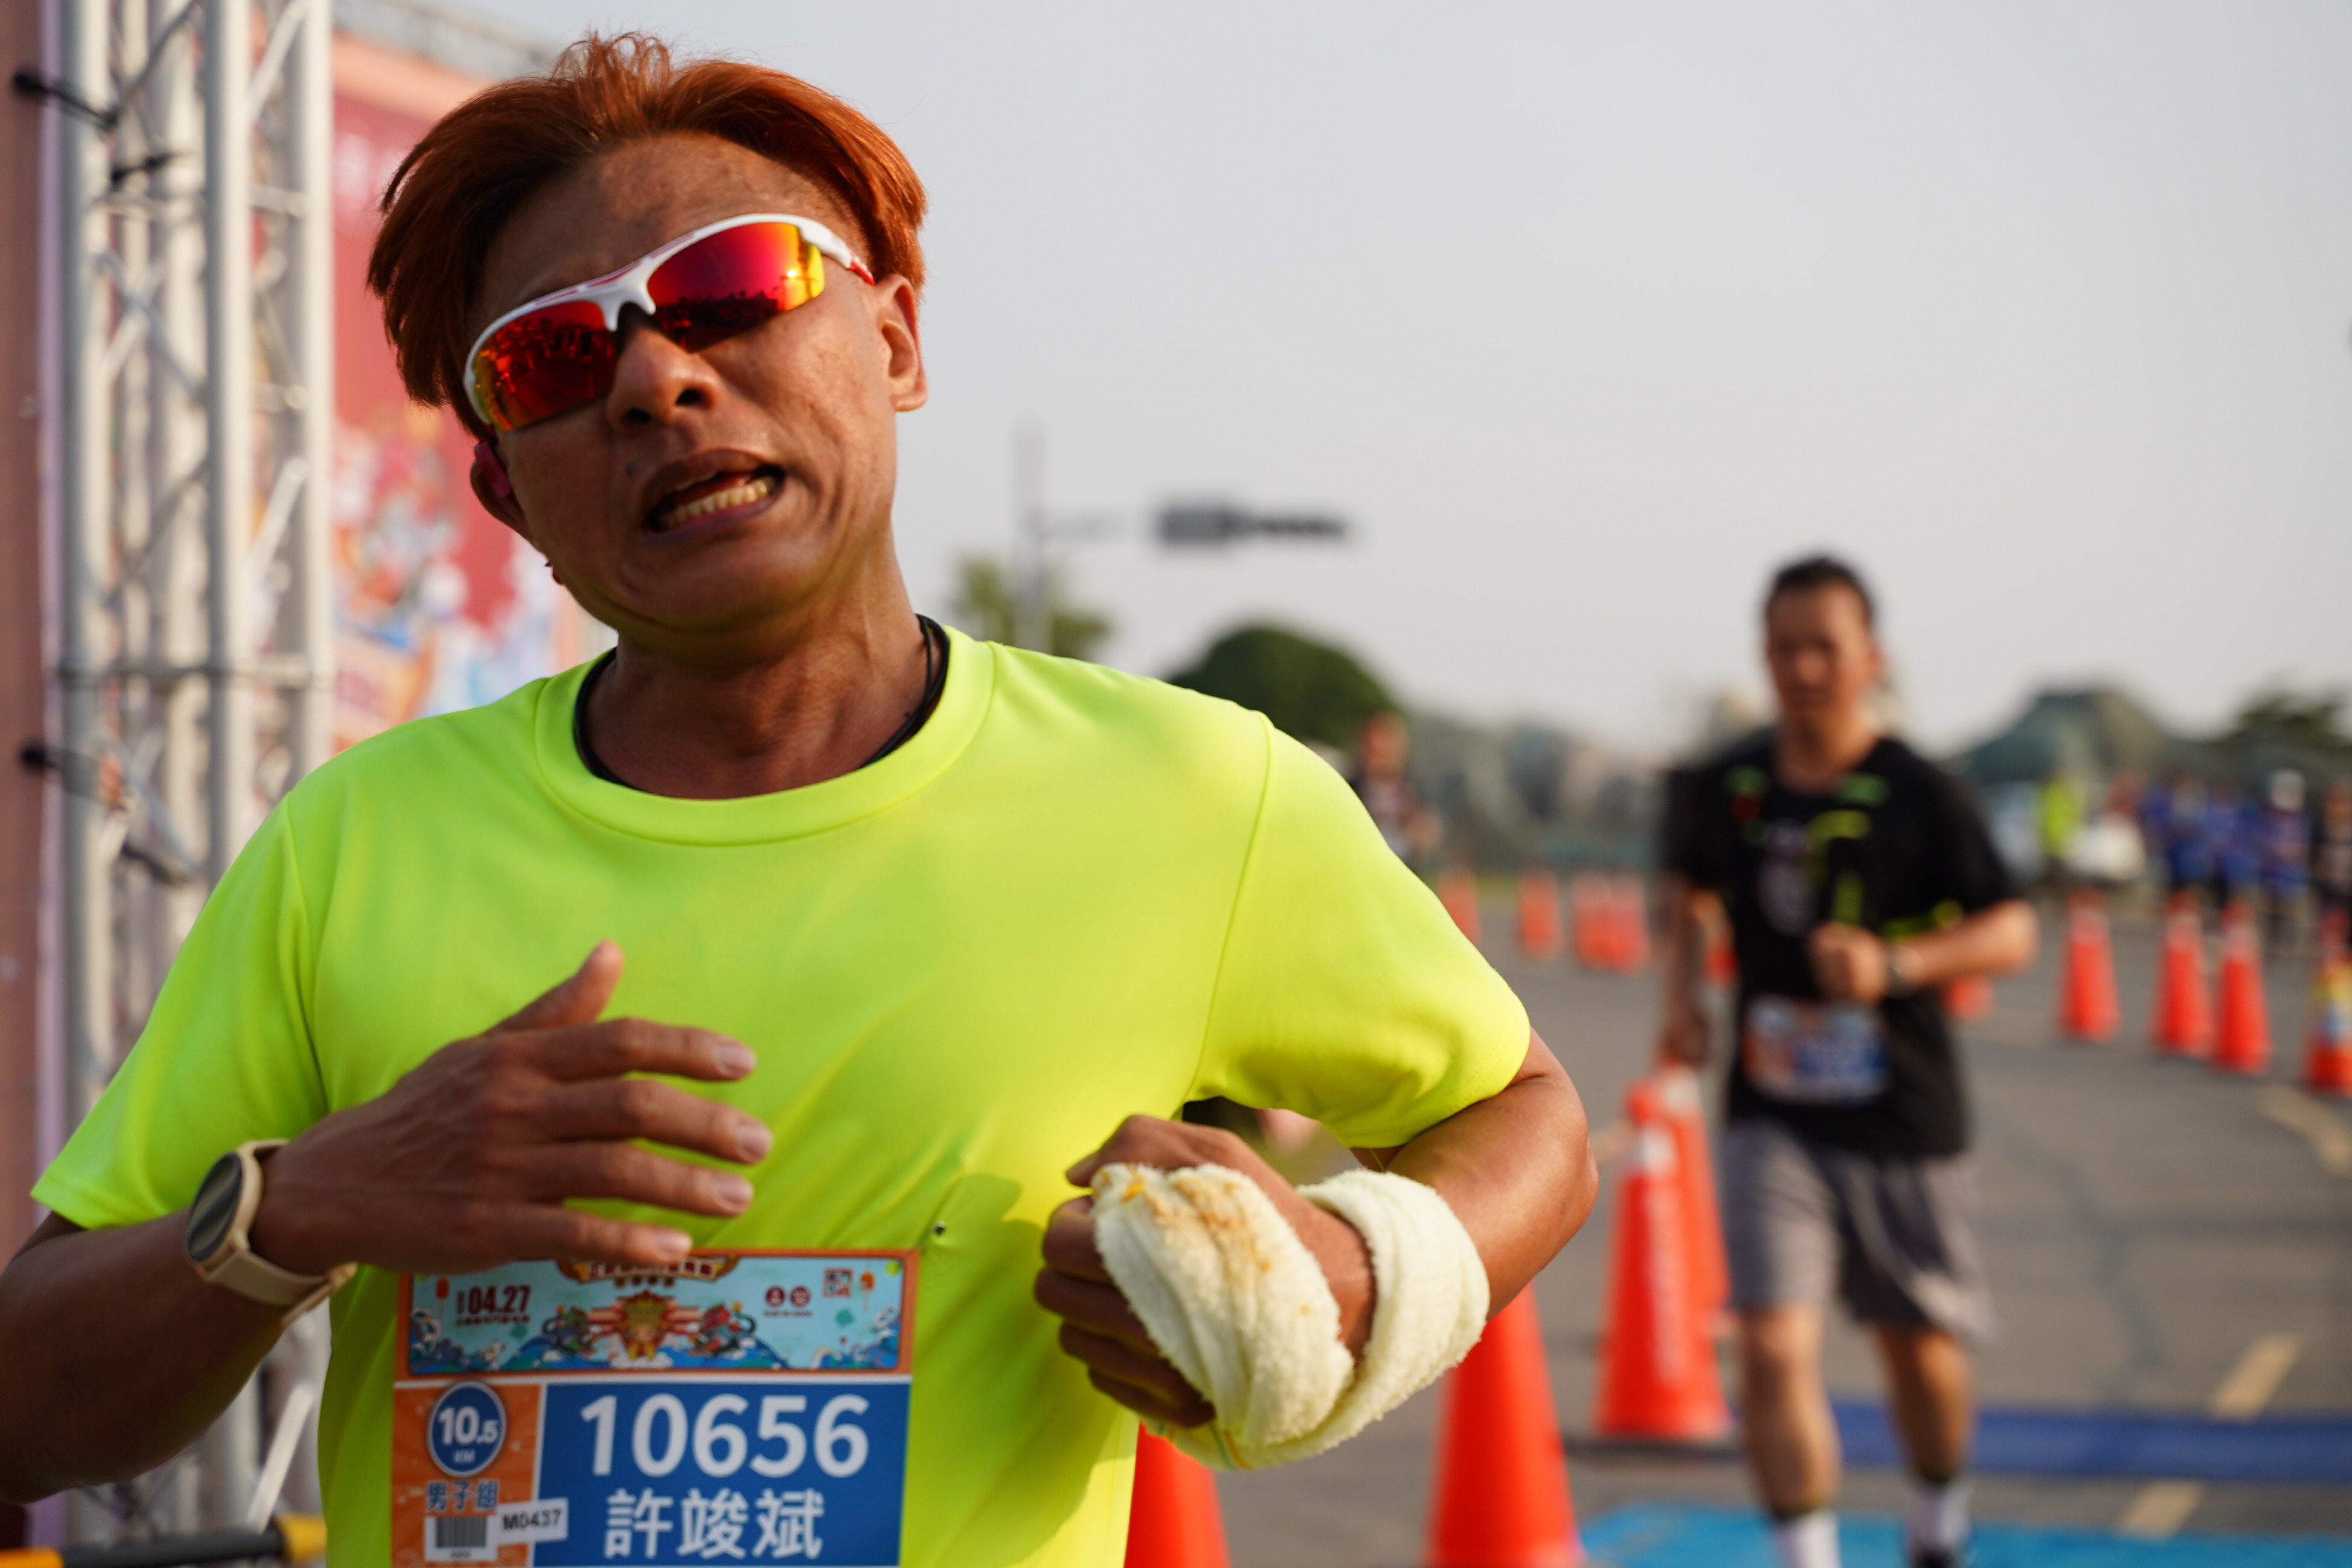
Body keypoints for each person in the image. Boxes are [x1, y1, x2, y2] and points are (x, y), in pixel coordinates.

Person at [0, 37, 1596, 1567]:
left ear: (895, 342)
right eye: (554, 358)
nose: (656, 377)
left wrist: (1363, 1279)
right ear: (506, 492)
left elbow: (1525, 1115)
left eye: (731, 287)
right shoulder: (355, 843)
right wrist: (302, 1206)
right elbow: (25, 1407)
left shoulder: (1192, 791)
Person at [1656, 556, 2035, 1568]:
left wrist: (1896, 965)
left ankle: (1938, 1515)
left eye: (1825, 647)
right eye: (1784, 648)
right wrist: (1681, 1000)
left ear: (1873, 658)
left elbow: (2011, 931)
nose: (1804, 668)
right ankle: (1807, 1553)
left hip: (1902, 1116)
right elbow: (1687, 891)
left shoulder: (1922, 791)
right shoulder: (1727, 785)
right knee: (1772, 1342)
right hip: (1771, 1113)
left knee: (1920, 1350)